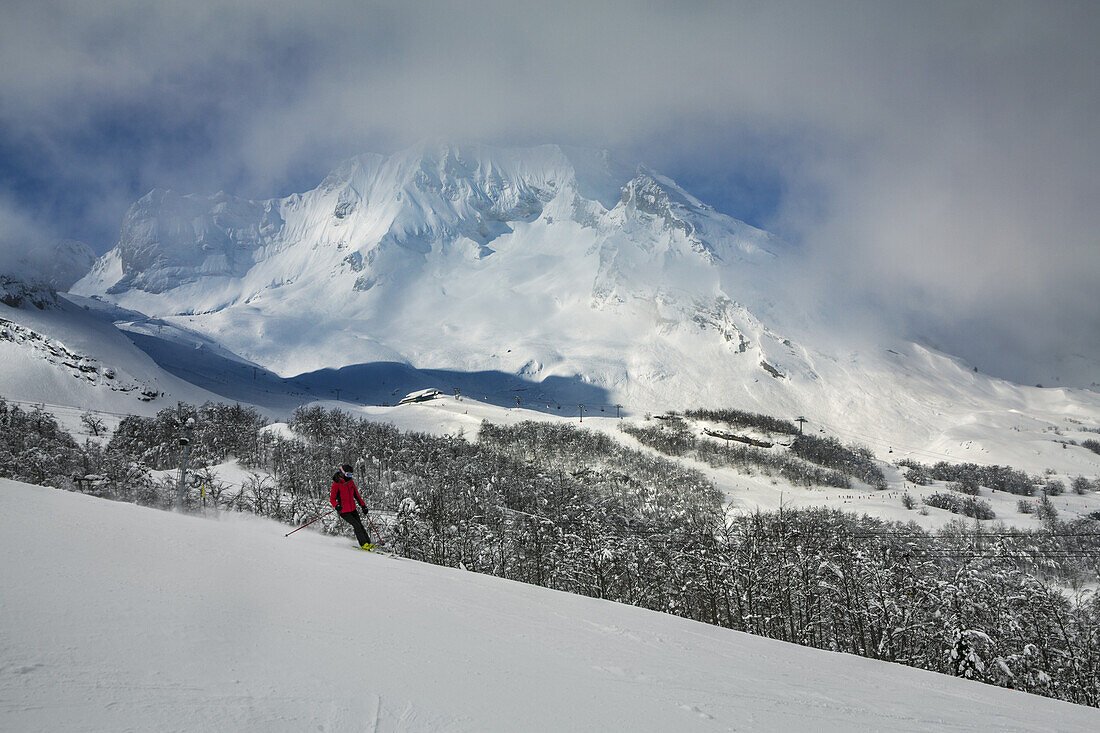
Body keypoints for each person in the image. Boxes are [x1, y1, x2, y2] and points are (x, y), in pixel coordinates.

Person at [330, 464, 374, 550]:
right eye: (348, 474)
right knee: (356, 525)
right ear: (342, 473)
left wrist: (363, 506)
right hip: (343, 511)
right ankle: (364, 544)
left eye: (351, 475)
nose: (349, 476)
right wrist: (336, 506)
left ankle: (368, 543)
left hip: (352, 509)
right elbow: (332, 499)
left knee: (360, 525)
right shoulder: (336, 484)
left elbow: (356, 495)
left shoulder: (350, 482)